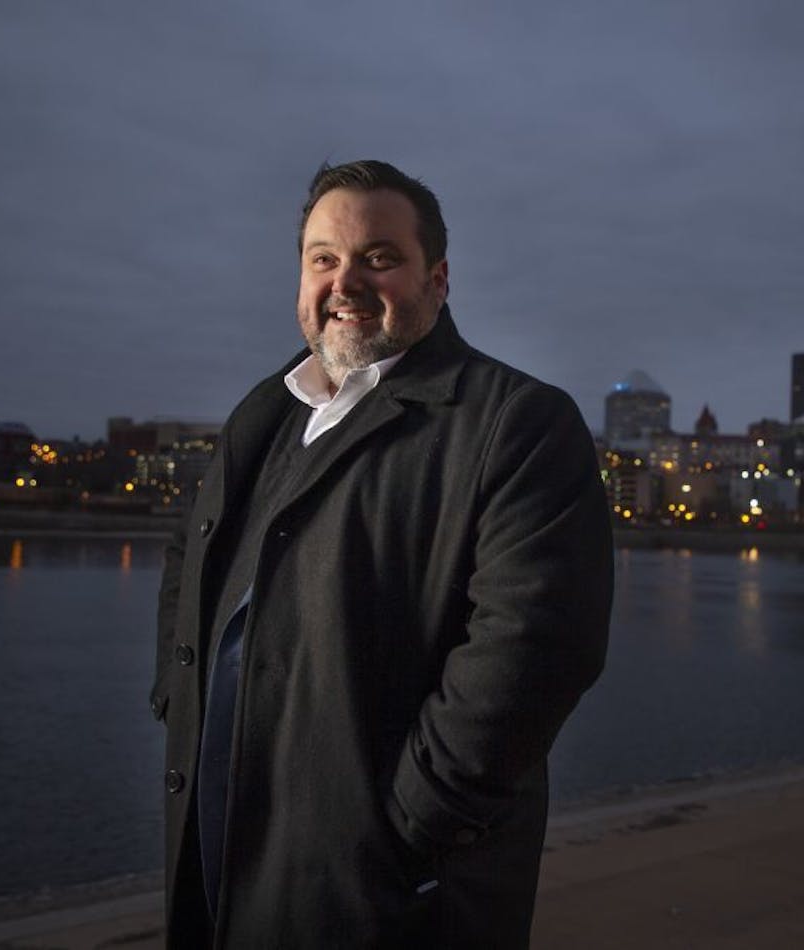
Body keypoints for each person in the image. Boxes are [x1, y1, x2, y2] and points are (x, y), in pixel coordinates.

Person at [152, 159, 613, 948]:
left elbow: (536, 649)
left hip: (388, 887)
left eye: (379, 258)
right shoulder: (266, 414)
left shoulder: (518, 422)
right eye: (323, 259)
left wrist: (406, 824)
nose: (345, 283)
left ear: (437, 280)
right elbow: (186, 561)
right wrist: (178, 697)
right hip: (226, 844)